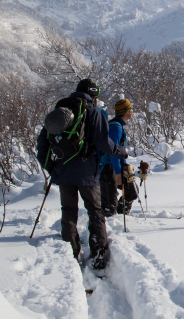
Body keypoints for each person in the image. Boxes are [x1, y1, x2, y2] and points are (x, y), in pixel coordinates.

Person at [36, 79, 126, 269]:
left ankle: (71, 253)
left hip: (63, 171)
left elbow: (42, 143)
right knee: (95, 210)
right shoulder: (94, 113)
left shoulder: (60, 113)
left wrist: (52, 167)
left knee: (68, 211)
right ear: (93, 95)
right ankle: (99, 252)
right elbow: (103, 143)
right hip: (87, 173)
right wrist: (121, 152)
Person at [105, 98, 138, 216]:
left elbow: (120, 150)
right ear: (127, 112)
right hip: (110, 167)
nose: (132, 111)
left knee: (131, 192)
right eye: (131, 109)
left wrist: (124, 165)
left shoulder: (117, 125)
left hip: (116, 166)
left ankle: (121, 215)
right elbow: (113, 151)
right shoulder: (115, 128)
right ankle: (118, 217)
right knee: (110, 204)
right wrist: (118, 172)